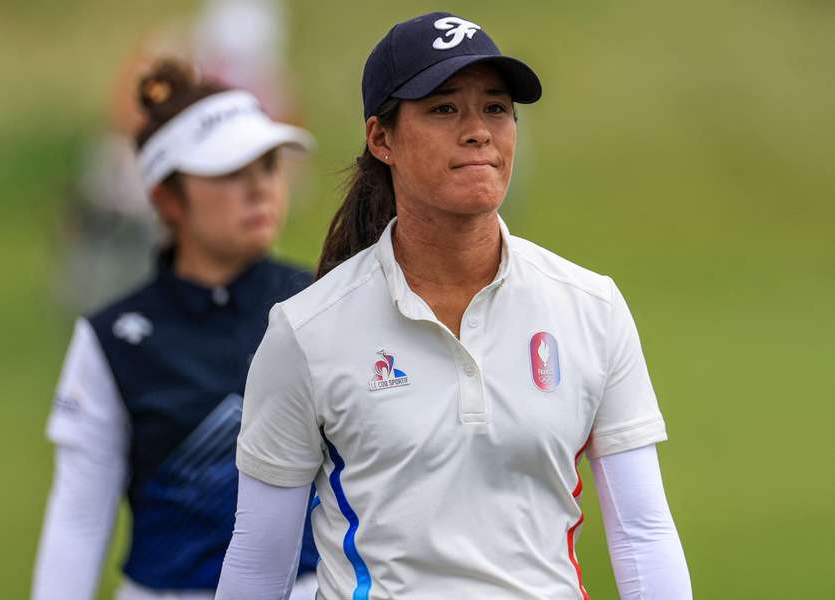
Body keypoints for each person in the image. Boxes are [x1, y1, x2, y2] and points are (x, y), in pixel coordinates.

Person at [214, 12, 693, 600]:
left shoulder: (590, 307)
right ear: (381, 139)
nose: (478, 131)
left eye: (495, 108)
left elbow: (643, 534)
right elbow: (261, 563)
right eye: (444, 108)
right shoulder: (306, 331)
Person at [33, 60, 320, 600]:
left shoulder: (324, 303)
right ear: (168, 199)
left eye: (267, 166)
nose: (259, 189)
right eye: (231, 173)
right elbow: (78, 520)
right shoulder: (113, 340)